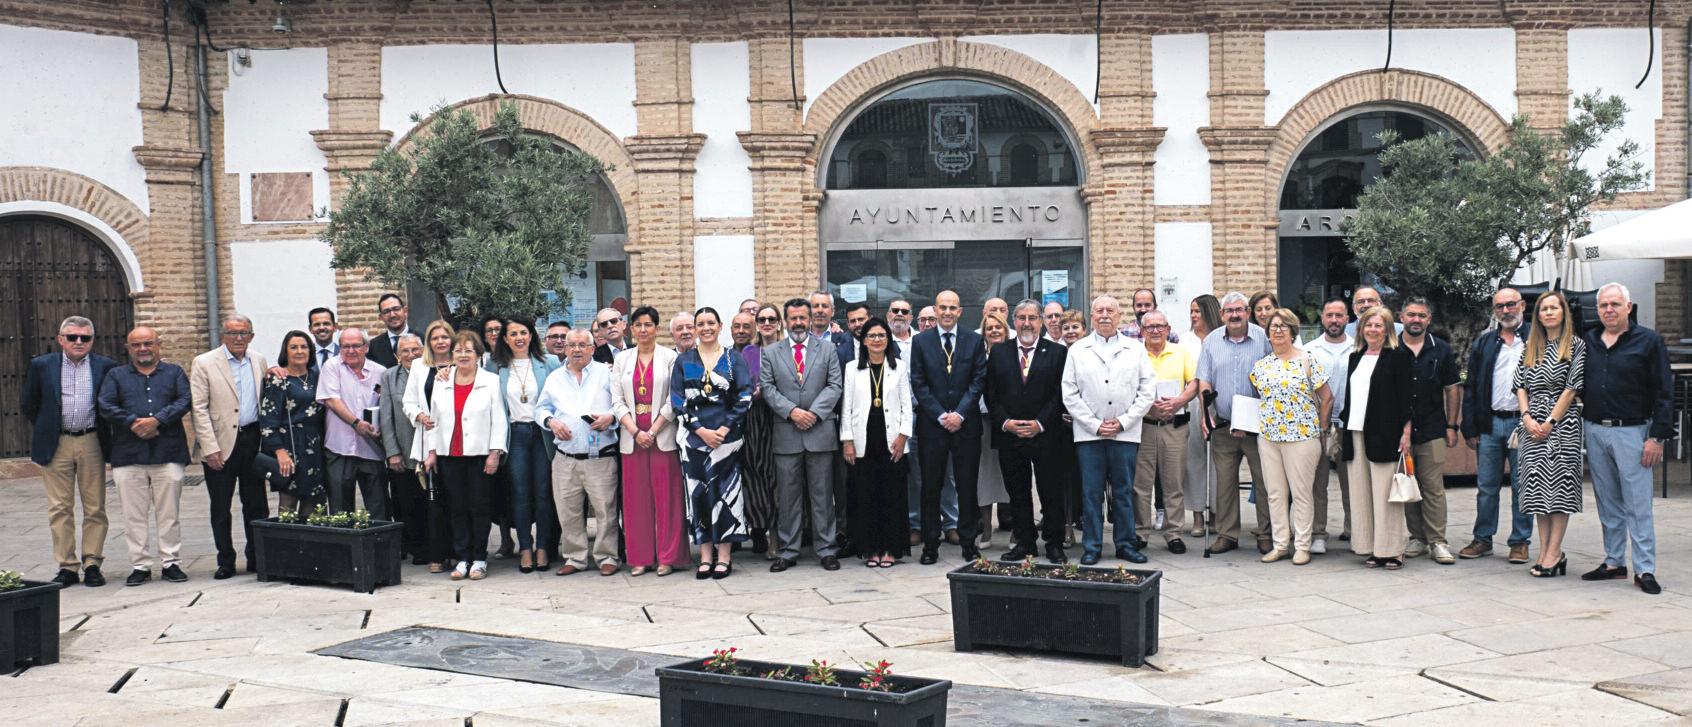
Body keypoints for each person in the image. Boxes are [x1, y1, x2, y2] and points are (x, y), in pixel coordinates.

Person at [1580, 283, 1670, 594]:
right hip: (1595, 429)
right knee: (1607, 501)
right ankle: (1614, 561)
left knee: (1637, 504)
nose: (1609, 310)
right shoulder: (1589, 340)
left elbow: (1664, 391)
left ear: (1628, 307)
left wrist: (1656, 437)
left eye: (1615, 304)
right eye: (1604, 305)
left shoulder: (1649, 341)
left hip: (1633, 431)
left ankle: (1645, 569)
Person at [21, 315, 117, 587]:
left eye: (85, 338)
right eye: (72, 337)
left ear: (92, 340)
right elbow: (29, 403)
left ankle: (92, 563)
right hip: (57, 442)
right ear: (60, 339)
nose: (78, 342)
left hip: (91, 441)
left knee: (95, 506)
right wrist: (48, 427)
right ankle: (67, 566)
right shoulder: (42, 366)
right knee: (59, 507)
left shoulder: (105, 366)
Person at [1062, 295, 1157, 565]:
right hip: (1089, 435)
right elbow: (1069, 393)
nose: (1104, 314)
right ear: (1092, 316)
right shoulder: (1078, 350)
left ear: (1118, 315)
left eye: (1110, 310)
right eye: (1099, 310)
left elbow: (1147, 390)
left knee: (1124, 491)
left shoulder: (1135, 348)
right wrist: (1094, 424)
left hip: (1125, 433)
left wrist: (1123, 421)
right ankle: (1092, 546)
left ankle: (1126, 544)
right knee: (1091, 493)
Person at [97, 326, 191, 587]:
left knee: (169, 513)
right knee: (133, 515)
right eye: (136, 345)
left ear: (158, 344)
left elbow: (185, 400)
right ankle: (140, 566)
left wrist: (157, 420)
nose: (143, 349)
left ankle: (171, 562)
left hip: (168, 452)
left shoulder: (174, 373)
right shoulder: (116, 375)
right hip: (128, 454)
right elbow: (105, 404)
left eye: (148, 343)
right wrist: (132, 422)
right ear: (128, 348)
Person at [762, 298, 845, 572]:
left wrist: (814, 413)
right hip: (787, 433)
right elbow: (768, 388)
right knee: (788, 498)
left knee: (823, 496)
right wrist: (793, 412)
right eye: (793, 318)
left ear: (810, 320)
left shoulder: (828, 349)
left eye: (802, 318)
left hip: (820, 432)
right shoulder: (771, 352)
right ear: (785, 321)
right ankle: (788, 551)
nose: (798, 323)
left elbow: (834, 385)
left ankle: (827, 549)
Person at [986, 300, 1069, 563]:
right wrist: (1006, 422)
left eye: (1032, 318)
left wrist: (1040, 423)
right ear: (1014, 321)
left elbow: (1060, 393)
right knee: (1017, 493)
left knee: (1051, 491)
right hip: (1010, 435)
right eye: (1021, 318)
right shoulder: (999, 352)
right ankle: (1025, 543)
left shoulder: (1057, 352)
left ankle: (1054, 543)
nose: (1027, 323)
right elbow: (991, 393)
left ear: (1041, 322)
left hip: (1046, 434)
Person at [911, 290, 990, 564]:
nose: (947, 312)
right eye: (942, 307)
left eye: (952, 308)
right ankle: (930, 544)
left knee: (966, 486)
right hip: (932, 427)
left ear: (959, 311)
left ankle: (968, 542)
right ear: (935, 310)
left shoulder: (974, 340)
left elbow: (979, 380)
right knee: (930, 486)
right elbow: (918, 382)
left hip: (965, 427)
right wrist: (940, 415)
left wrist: (959, 414)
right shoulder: (920, 342)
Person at [673, 307, 753, 578]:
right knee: (698, 496)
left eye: (711, 323)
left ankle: (725, 556)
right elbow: (677, 400)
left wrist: (724, 428)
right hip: (694, 441)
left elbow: (745, 395)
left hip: (727, 440)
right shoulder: (684, 360)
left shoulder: (733, 359)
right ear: (695, 328)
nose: (706, 328)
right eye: (701, 324)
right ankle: (706, 555)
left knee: (725, 494)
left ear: (720, 326)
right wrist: (700, 430)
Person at [1249, 309, 1332, 566]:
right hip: (1269, 437)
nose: (1278, 330)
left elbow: (1327, 397)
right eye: (1274, 326)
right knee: (1275, 493)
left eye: (1284, 326)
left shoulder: (1307, 360)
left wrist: (1321, 429)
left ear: (1293, 331)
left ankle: (1303, 545)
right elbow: (1261, 397)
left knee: (1302, 493)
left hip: (1302, 437)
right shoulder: (1262, 366)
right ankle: (1280, 544)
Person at [536, 328, 621, 577]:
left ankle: (607, 556)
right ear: (565, 349)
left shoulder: (607, 373)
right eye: (572, 345)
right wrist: (551, 421)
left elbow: (621, 404)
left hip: (600, 456)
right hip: (566, 457)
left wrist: (610, 417)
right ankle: (575, 557)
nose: (576, 350)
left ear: (592, 349)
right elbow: (540, 409)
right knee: (568, 510)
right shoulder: (555, 378)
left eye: (582, 345)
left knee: (606, 510)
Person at [1515, 291, 1586, 578]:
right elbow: (1520, 385)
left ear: (1563, 312)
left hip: (1562, 425)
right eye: (1544, 309)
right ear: (1538, 316)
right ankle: (1544, 551)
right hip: (1531, 424)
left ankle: (1554, 552)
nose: (1548, 312)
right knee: (1537, 491)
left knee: (1559, 490)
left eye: (1554, 308)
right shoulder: (1531, 345)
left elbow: (1572, 387)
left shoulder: (1576, 345)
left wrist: (1550, 422)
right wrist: (1527, 418)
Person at [1459, 287, 1533, 563]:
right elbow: (1472, 386)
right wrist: (1470, 427)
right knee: (1487, 487)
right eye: (1500, 306)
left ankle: (1520, 542)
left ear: (1522, 305)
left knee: (1522, 486)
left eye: (1510, 304)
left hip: (1523, 424)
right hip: (1490, 423)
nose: (1505, 311)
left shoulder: (1536, 339)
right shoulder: (1485, 343)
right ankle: (1482, 539)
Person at [423, 331, 505, 581]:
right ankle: (462, 557)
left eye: (469, 350)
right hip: (450, 455)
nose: (463, 355)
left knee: (479, 508)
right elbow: (434, 420)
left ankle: (479, 558)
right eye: (458, 351)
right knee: (456, 508)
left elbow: (499, 419)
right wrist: (432, 452)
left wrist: (495, 453)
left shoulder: (491, 381)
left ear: (479, 354)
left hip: (480, 454)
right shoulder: (442, 380)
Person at [1194, 292, 1271, 555]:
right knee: (1224, 483)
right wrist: (1205, 413)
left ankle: (1266, 533)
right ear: (1222, 314)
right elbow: (1204, 380)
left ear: (1247, 312)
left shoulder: (1263, 338)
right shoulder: (1212, 341)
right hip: (1223, 424)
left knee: (1263, 481)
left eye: (1239, 310)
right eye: (1229, 311)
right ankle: (1227, 534)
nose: (1235, 315)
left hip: (1257, 426)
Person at [612, 307, 684, 576]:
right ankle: (640, 557)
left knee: (667, 500)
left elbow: (674, 399)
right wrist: (635, 431)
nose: (643, 330)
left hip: (661, 435)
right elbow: (616, 400)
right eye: (638, 325)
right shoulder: (622, 359)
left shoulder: (670, 357)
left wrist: (652, 432)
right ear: (631, 329)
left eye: (648, 325)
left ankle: (667, 556)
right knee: (636, 501)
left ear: (657, 328)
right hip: (632, 438)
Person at [1340, 306, 1413, 570]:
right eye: (1368, 325)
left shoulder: (1398, 356)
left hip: (1385, 433)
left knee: (1385, 495)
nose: (1372, 329)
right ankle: (1371, 547)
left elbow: (1406, 398)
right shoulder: (1355, 357)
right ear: (1361, 329)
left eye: (1378, 325)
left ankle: (1392, 549)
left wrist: (1406, 433)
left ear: (1387, 330)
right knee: (1362, 494)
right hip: (1355, 432)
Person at [490, 318, 563, 573]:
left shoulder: (549, 363)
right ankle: (524, 546)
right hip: (515, 434)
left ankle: (542, 546)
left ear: (531, 335)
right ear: (505, 339)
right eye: (513, 334)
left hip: (542, 433)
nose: (519, 338)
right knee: (520, 493)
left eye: (523, 332)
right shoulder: (496, 366)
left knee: (543, 493)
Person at [841, 317, 913, 567]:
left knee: (892, 494)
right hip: (863, 439)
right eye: (871, 336)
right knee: (866, 495)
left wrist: (903, 436)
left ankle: (891, 549)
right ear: (863, 340)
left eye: (881, 335)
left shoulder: (899, 367)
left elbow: (906, 405)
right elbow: (847, 407)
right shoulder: (852, 368)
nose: (876, 340)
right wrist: (847, 440)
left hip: (892, 439)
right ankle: (871, 549)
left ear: (888, 339)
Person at [1397, 297, 1462, 565]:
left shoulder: (1441, 349)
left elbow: (1452, 389)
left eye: (1421, 316)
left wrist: (1452, 425)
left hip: (1433, 428)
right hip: (1399, 432)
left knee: (1433, 487)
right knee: (1407, 482)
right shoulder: (1391, 347)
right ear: (1401, 317)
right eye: (1411, 314)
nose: (1416, 320)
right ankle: (1417, 537)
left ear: (1429, 320)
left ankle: (1437, 541)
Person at [1136, 310, 1197, 553]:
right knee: (1141, 485)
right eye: (1149, 327)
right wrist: (1147, 406)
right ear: (1142, 330)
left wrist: (1178, 401)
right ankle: (1140, 532)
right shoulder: (1134, 354)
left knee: (1174, 483)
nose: (1155, 331)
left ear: (1168, 328)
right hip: (1143, 426)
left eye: (1160, 326)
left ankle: (1174, 533)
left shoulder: (1181, 352)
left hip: (1174, 426)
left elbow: (1194, 382)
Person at [403, 319, 459, 573]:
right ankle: (437, 554)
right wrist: (419, 415)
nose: (440, 342)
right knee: (433, 499)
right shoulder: (419, 366)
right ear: (428, 342)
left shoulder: (463, 363)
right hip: (429, 437)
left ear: (452, 340)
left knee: (456, 497)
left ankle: (458, 552)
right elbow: (408, 401)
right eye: (435, 338)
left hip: (456, 439)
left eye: (444, 337)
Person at [318, 327, 389, 518]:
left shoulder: (380, 372)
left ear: (366, 347)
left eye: (356, 346)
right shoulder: (331, 367)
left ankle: (379, 539)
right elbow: (331, 400)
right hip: (339, 447)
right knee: (340, 510)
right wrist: (356, 423)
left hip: (372, 448)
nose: (350, 351)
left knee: (379, 508)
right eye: (345, 346)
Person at [1302, 298, 1355, 550]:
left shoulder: (1358, 348)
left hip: (1349, 423)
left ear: (1347, 318)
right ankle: (1318, 533)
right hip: (1318, 425)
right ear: (1322, 318)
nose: (1334, 320)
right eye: (1329, 315)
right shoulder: (1309, 350)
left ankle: (1354, 529)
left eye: (1339, 315)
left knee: (1351, 482)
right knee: (1318, 483)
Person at [262, 331, 328, 518]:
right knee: (288, 506)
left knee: (315, 505)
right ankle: (288, 538)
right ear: (286, 351)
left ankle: (312, 537)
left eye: (304, 347)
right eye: (294, 347)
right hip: (289, 446)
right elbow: (268, 421)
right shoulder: (278, 380)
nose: (299, 351)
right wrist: (279, 452)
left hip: (316, 447)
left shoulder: (318, 377)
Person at [379, 333, 428, 562]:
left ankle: (430, 546)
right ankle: (411, 545)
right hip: (403, 448)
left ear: (423, 350)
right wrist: (392, 452)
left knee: (429, 501)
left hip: (429, 448)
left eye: (415, 349)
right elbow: (386, 417)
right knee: (405, 501)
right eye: (405, 351)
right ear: (398, 355)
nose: (411, 354)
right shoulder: (389, 376)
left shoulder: (432, 372)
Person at [741, 304, 782, 555]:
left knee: (780, 478)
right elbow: (742, 384)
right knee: (758, 477)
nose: (767, 323)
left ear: (779, 323)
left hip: (781, 417)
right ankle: (760, 531)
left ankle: (778, 536)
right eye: (762, 319)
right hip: (755, 420)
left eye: (771, 319)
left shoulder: (787, 349)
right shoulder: (748, 352)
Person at [972, 312, 1013, 548]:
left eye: (998, 327)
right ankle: (986, 527)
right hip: (984, 422)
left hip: (1009, 423)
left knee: (1013, 475)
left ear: (1006, 331)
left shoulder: (1015, 355)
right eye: (989, 328)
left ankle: (1016, 530)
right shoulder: (978, 356)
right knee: (984, 477)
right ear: (984, 333)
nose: (994, 331)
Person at [1183, 295, 1221, 537]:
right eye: (1192, 311)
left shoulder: (1221, 337)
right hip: (1192, 405)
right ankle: (1197, 515)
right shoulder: (1184, 340)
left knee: (1218, 462)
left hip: (1218, 403)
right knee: (1194, 460)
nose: (1194, 315)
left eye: (1198, 311)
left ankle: (1216, 514)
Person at [366, 294, 410, 368]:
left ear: (405, 311)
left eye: (396, 309)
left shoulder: (423, 340)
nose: (392, 315)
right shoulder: (372, 347)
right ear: (381, 317)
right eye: (386, 311)